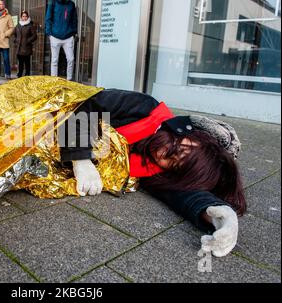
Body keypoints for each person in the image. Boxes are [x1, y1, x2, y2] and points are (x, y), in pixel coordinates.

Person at [60, 89, 246, 257]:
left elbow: (182, 193)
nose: (166, 155)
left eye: (173, 164)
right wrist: (80, 159)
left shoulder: (154, 167)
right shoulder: (143, 107)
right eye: (179, 151)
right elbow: (86, 108)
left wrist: (218, 214)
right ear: (191, 134)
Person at [45, 0, 78, 81]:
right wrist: (49, 34)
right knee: (54, 60)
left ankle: (69, 79)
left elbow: (74, 20)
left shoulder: (71, 4)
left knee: (71, 59)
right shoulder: (53, 3)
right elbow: (48, 19)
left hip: (68, 37)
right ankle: (54, 80)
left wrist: (73, 33)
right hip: (55, 36)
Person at [14, 11, 37, 78]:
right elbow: (15, 34)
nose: (24, 18)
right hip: (19, 47)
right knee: (20, 62)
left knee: (27, 62)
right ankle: (20, 74)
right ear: (21, 17)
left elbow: (34, 36)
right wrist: (15, 41)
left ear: (27, 17)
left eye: (25, 16)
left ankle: (27, 75)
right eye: (23, 16)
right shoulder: (18, 25)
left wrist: (28, 41)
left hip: (26, 47)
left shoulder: (30, 25)